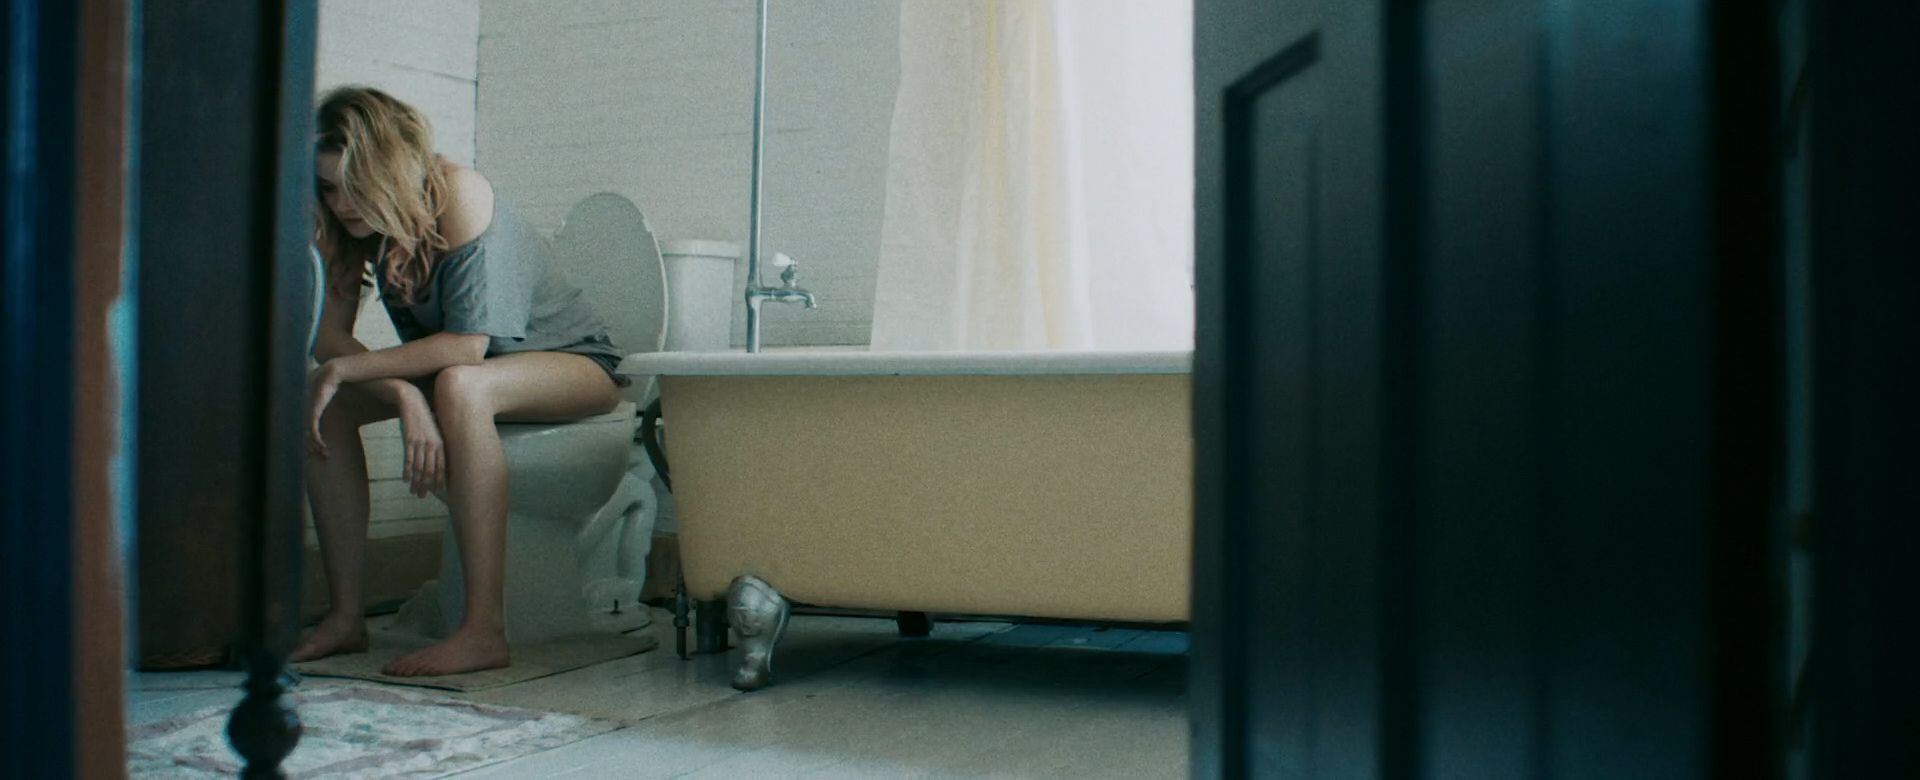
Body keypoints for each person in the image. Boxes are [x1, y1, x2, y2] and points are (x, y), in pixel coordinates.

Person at [292, 86, 626, 676]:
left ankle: (483, 631)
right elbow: (328, 338)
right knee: (328, 397)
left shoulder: (458, 193)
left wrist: (358, 369)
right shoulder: (344, 222)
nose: (341, 203)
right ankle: (346, 618)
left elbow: (467, 347)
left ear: (388, 169)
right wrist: (400, 393)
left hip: (574, 363)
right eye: (327, 187)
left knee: (459, 386)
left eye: (353, 184)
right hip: (464, 372)